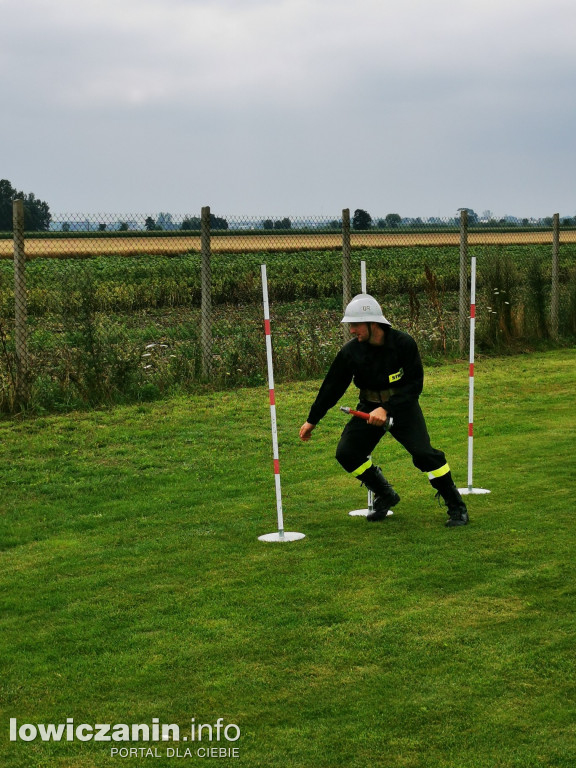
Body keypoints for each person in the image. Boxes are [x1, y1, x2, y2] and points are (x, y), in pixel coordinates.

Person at [299, 293, 469, 527]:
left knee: (425, 455)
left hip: (403, 407)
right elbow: (332, 386)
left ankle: (457, 506)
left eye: (355, 325)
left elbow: (414, 386)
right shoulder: (351, 352)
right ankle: (385, 493)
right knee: (347, 453)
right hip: (368, 409)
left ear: (373, 323)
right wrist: (312, 420)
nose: (351, 331)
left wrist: (387, 409)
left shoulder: (404, 344)